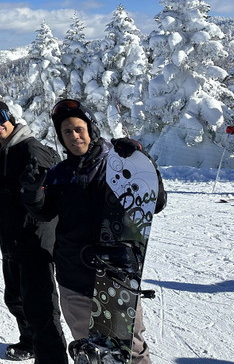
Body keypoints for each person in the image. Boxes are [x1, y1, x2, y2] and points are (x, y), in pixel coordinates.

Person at [24, 98, 166, 364]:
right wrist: (32, 192)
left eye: (79, 129)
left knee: (130, 351)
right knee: (89, 350)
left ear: (92, 129)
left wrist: (144, 165)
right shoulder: (59, 173)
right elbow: (45, 213)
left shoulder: (117, 165)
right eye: (67, 131)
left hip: (115, 279)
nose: (74, 136)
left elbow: (155, 204)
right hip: (73, 276)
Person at [0, 99, 67, 363]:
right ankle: (29, 342)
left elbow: (47, 201)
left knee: (41, 308)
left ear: (10, 115)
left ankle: (52, 357)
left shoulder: (33, 149)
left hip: (35, 241)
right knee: (15, 299)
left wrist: (8, 186)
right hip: (11, 240)